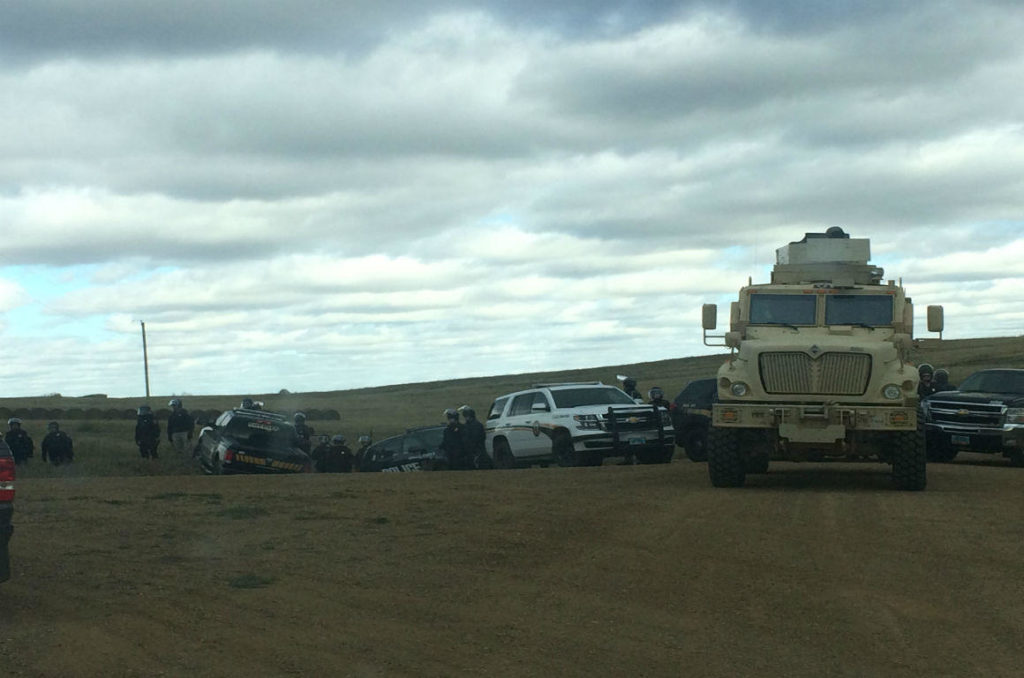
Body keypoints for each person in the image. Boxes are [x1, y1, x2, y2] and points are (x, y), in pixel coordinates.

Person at [459, 405, 491, 470]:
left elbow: (479, 438)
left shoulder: (477, 425)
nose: (466, 417)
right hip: (469, 451)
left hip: (477, 451)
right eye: (465, 415)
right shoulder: (465, 426)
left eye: (467, 415)